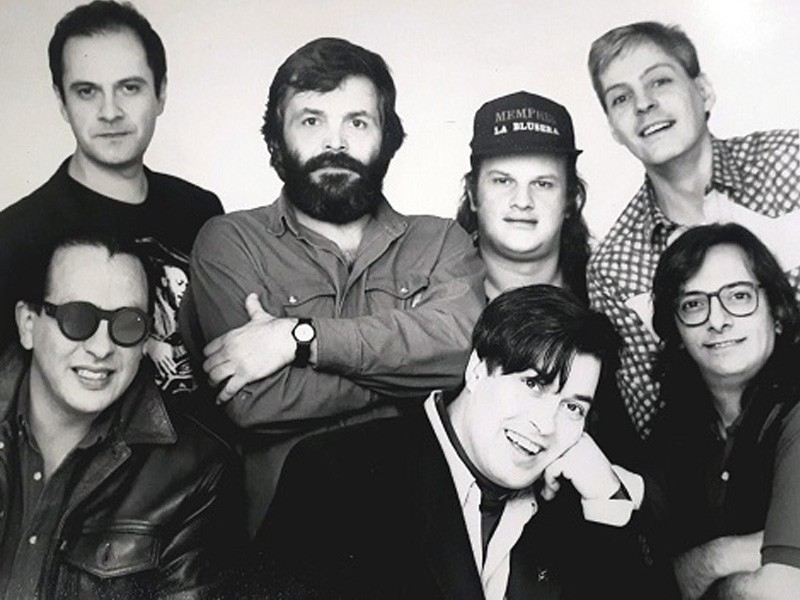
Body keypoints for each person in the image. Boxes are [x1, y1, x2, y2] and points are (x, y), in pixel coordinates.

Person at [182, 37, 484, 533]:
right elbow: (252, 400)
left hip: (419, 539)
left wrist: (299, 340)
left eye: (357, 122)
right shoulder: (230, 241)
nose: (335, 143)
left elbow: (462, 358)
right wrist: (413, 376)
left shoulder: (441, 242)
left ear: (389, 138)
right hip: (283, 540)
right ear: (276, 141)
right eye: (311, 121)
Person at [249, 285, 645, 599]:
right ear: (476, 370)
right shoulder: (338, 473)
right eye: (533, 384)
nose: (545, 425)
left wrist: (606, 495)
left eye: (573, 407)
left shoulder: (576, 497)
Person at [585, 21, 800, 438]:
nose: (644, 104)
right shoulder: (614, 268)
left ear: (703, 91)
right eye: (621, 98)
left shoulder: (791, 164)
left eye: (659, 81)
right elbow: (658, 423)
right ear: (613, 128)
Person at [0, 0, 224, 399]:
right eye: (87, 92)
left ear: (161, 93)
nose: (110, 112)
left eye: (129, 87)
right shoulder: (15, 237)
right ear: (61, 101)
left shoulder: (200, 211)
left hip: (207, 437)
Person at [0, 233, 243, 599]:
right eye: (77, 318)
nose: (101, 348)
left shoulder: (196, 473)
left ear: (147, 340)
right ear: (28, 324)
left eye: (128, 324)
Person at [646, 223, 800, 599]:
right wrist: (722, 556)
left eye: (739, 296)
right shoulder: (669, 436)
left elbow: (782, 590)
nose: (717, 320)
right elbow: (645, 583)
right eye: (693, 304)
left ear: (778, 311)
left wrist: (707, 568)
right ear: (675, 331)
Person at [456, 91, 591, 303]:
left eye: (543, 184)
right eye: (503, 181)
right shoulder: (432, 302)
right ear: (473, 194)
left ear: (569, 198)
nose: (522, 202)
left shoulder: (609, 295)